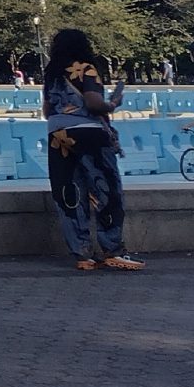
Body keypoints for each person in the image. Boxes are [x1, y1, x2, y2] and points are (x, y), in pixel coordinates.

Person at [43, 28, 142, 270]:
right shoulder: (86, 67)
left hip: (57, 134)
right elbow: (94, 103)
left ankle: (82, 253)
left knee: (70, 191)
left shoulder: (52, 73)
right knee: (106, 188)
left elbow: (47, 110)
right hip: (88, 132)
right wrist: (113, 104)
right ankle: (113, 249)